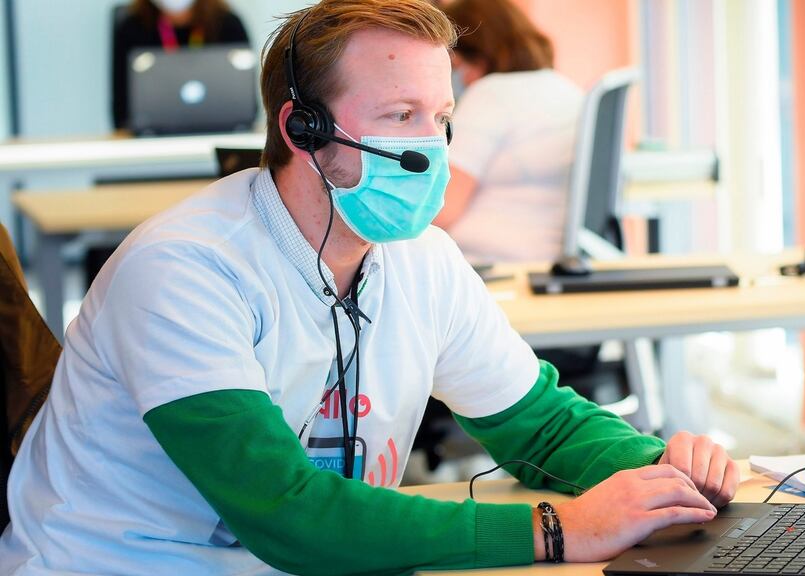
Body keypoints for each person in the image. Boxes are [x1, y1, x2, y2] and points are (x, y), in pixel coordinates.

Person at [0, 1, 738, 574]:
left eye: (442, 118)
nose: (430, 146)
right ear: (304, 129)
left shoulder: (425, 261)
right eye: (400, 116)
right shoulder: (183, 271)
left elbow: (539, 428)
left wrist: (660, 473)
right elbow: (289, 515)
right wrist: (559, 529)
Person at [434, 0, 583, 264]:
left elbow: (441, 210)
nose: (461, 80)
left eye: (457, 68)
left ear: (479, 55)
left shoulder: (491, 94)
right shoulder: (564, 88)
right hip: (542, 259)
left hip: (488, 264)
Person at [111, 0, 249, 130]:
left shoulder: (229, 24)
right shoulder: (131, 28)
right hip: (152, 140)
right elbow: (121, 113)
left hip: (220, 133)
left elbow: (247, 105)